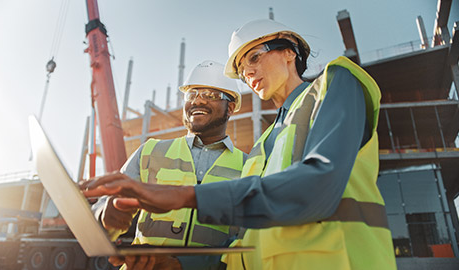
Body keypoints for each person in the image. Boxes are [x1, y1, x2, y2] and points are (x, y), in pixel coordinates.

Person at [82, 19, 397, 270]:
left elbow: (317, 188)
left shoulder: (335, 84)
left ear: (290, 52)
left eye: (255, 57)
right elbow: (240, 244)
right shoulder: (261, 149)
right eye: (243, 69)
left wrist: (181, 195)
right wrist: (177, 264)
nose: (248, 72)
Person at [90, 60, 246, 270]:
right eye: (192, 95)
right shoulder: (151, 151)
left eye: (211, 95)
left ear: (231, 108)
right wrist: (105, 215)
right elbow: (105, 205)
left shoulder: (249, 166)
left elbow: (246, 242)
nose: (198, 101)